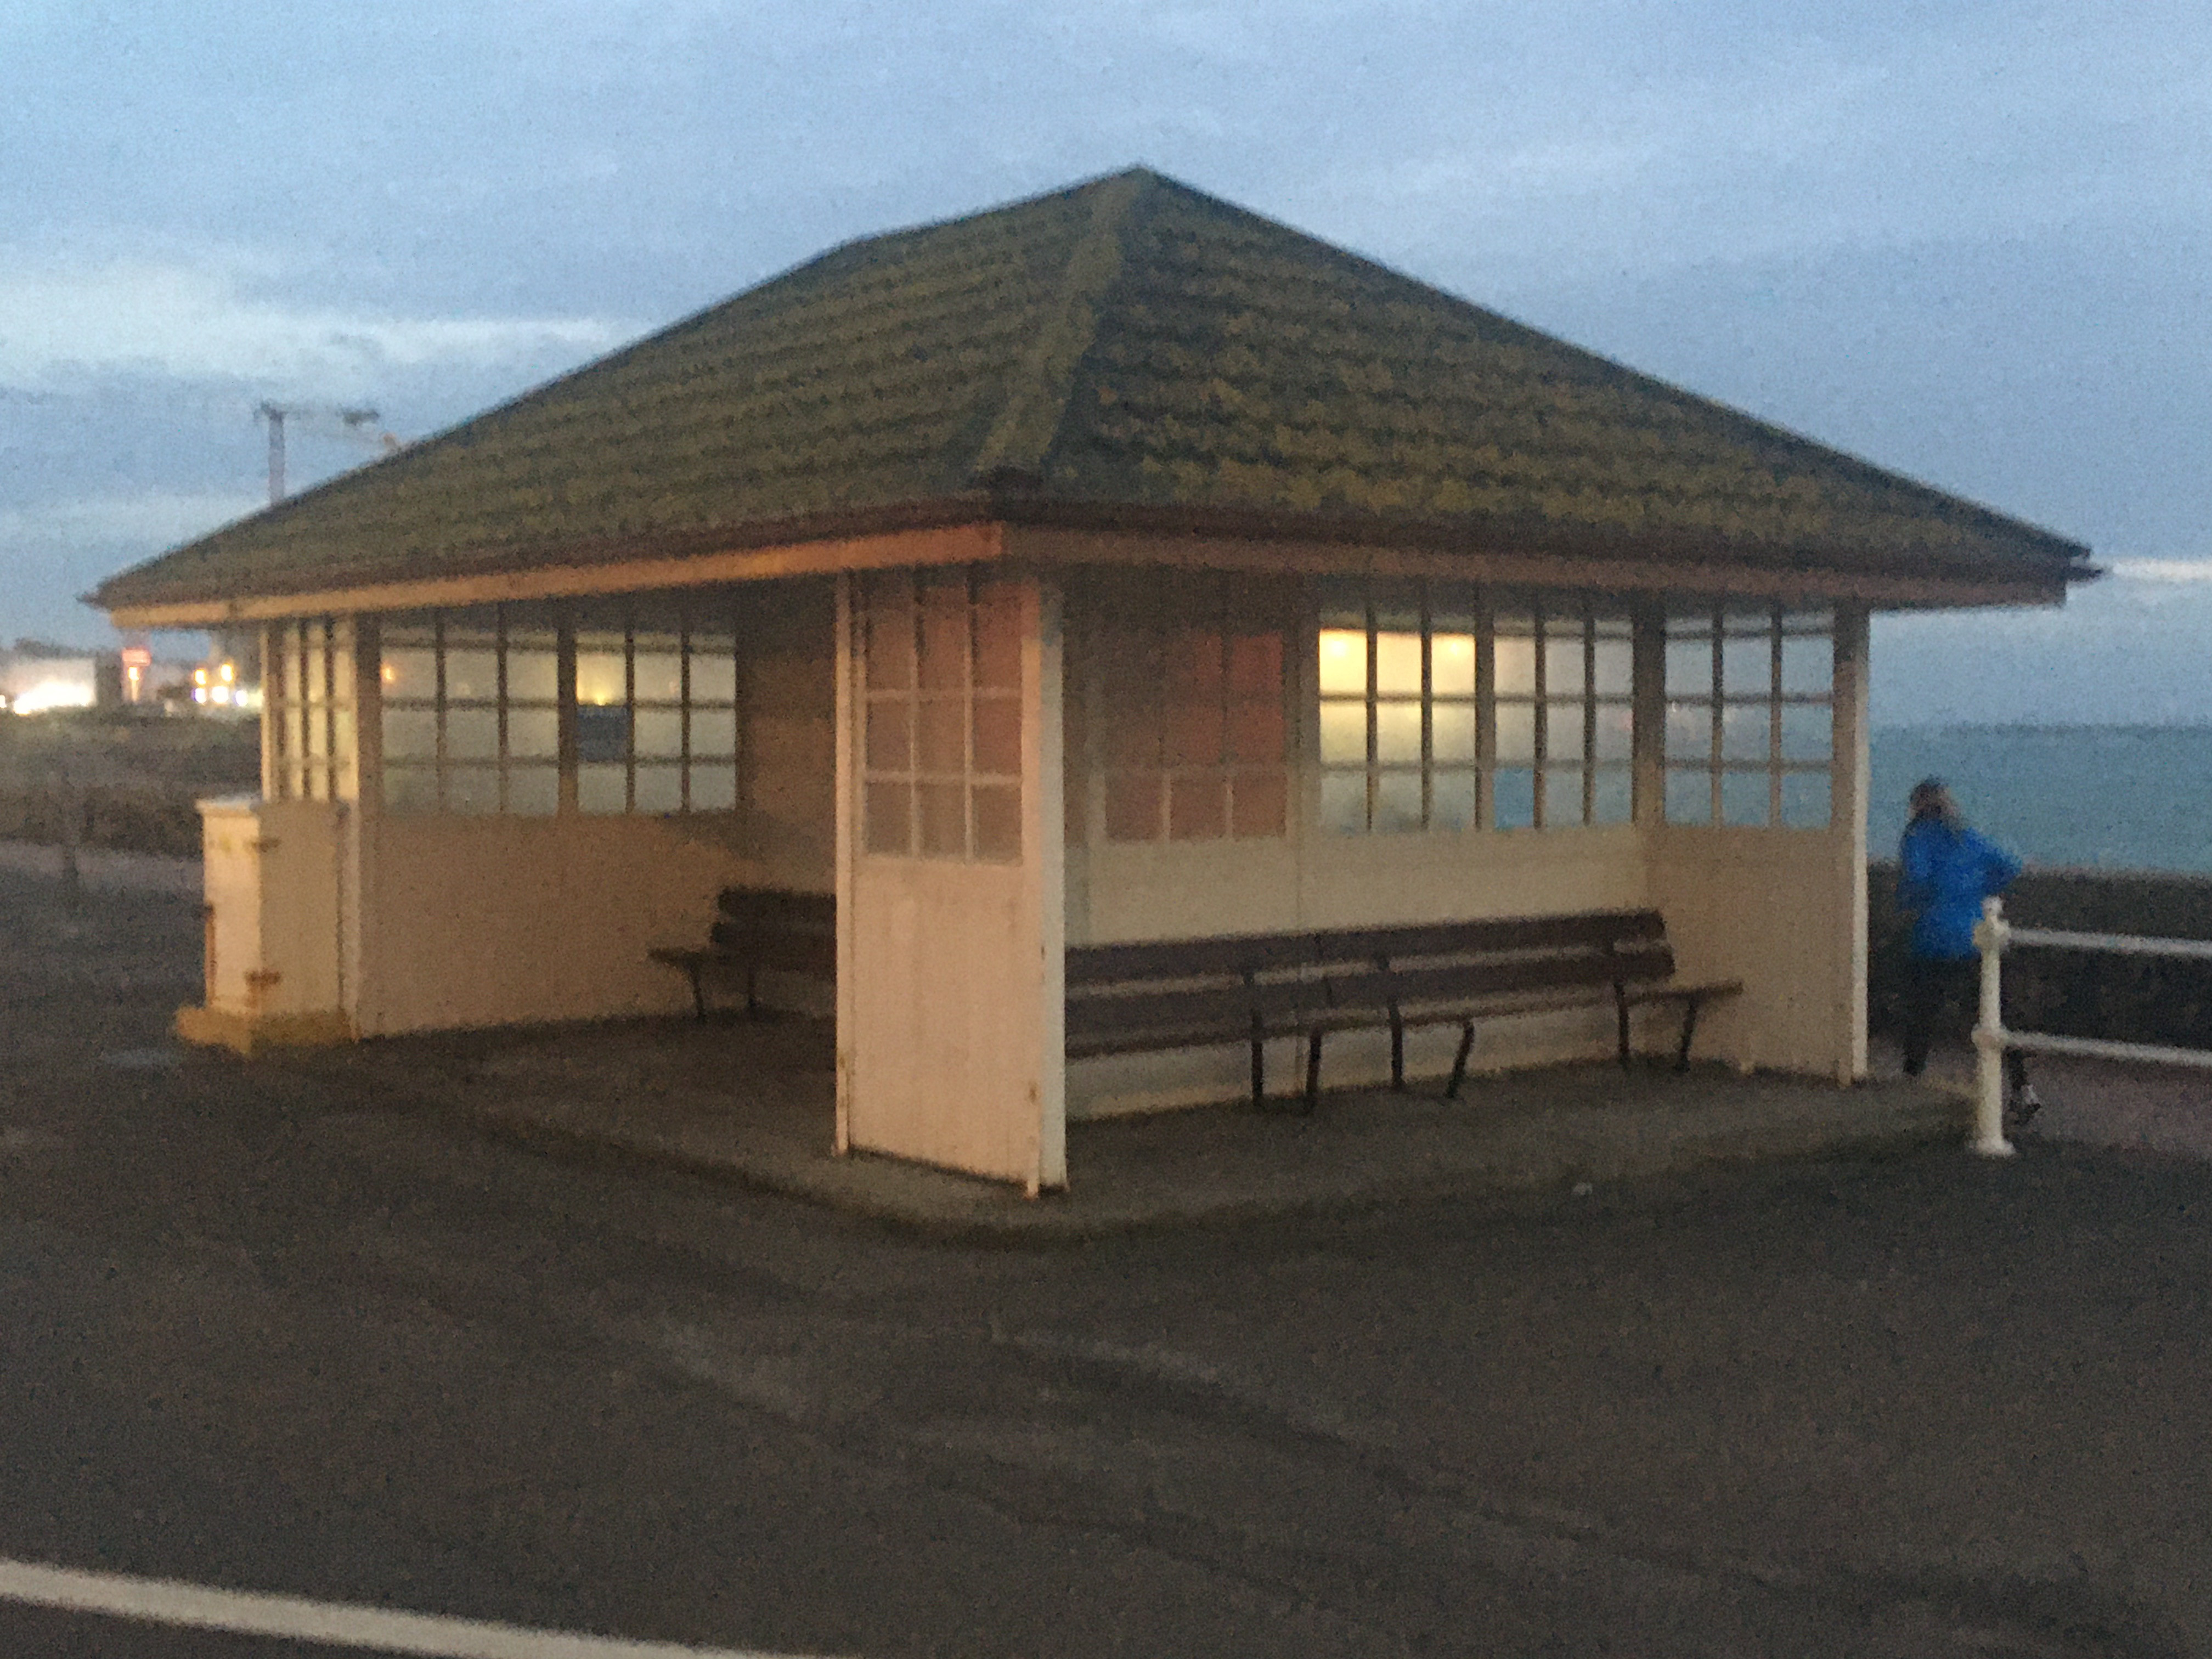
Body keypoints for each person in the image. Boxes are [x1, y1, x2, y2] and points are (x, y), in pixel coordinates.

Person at [1896, 778, 2041, 1127]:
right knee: (1996, 1015)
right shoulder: (1968, 837)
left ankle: (1910, 1080)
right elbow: (2010, 865)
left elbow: (1916, 880)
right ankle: (2023, 1088)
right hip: (1976, 938)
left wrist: (1915, 900)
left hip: (1934, 939)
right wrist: (1978, 892)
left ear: (1917, 806)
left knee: (1922, 1012)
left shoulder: (1917, 838)